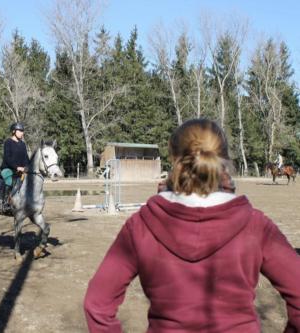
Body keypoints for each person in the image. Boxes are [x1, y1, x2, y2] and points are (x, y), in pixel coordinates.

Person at [84, 119, 300, 332]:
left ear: (174, 158)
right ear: (224, 159)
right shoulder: (256, 226)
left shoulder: (141, 225)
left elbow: (97, 304)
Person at [0, 122, 30, 213]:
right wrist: (17, 167)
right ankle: (5, 203)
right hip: (8, 168)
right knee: (9, 180)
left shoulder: (23, 144)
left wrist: (28, 166)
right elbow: (7, 158)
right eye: (20, 131)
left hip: (20, 170)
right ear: (14, 131)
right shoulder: (8, 142)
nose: (22, 133)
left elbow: (26, 158)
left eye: (23, 131)